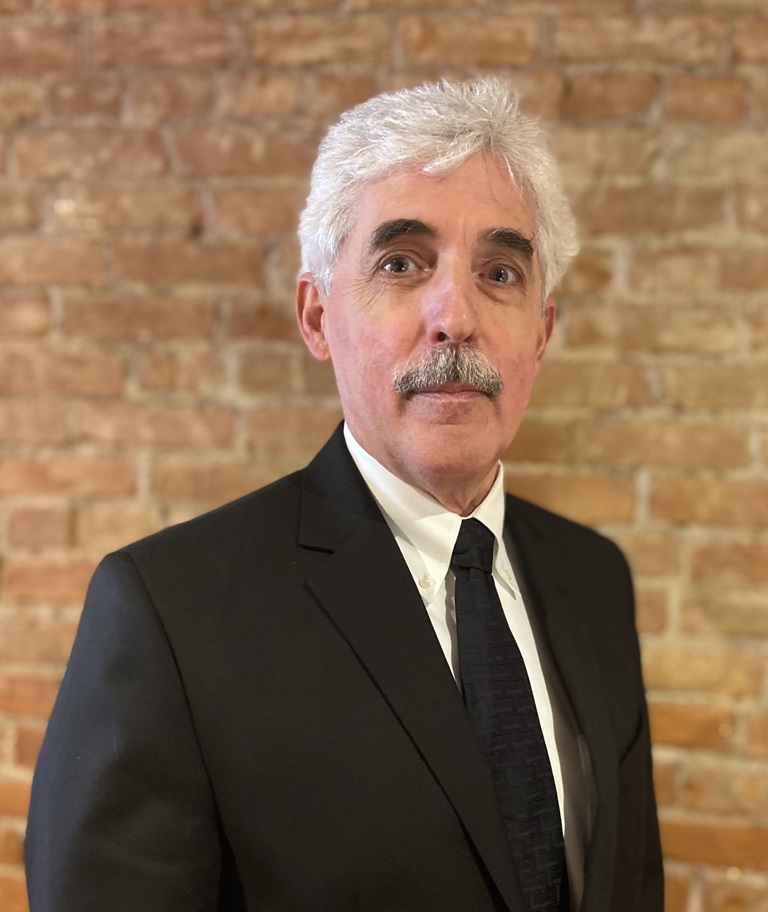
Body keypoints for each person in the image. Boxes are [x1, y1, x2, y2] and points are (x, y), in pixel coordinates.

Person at [25, 79, 663, 912]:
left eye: (500, 272)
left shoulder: (595, 577)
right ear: (317, 315)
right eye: (401, 263)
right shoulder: (168, 614)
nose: (455, 316)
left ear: (539, 334)